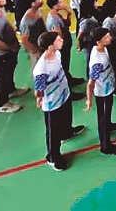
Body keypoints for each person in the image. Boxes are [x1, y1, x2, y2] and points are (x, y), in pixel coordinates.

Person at [33, 31, 85, 171]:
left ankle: (67, 132)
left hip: (64, 94)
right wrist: (40, 99)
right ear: (50, 46)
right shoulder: (41, 68)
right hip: (52, 102)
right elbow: (38, 89)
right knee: (53, 130)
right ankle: (53, 156)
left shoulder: (58, 54)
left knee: (67, 116)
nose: (61, 40)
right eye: (58, 39)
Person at [85, 27, 116, 155]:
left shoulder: (103, 48)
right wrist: (89, 100)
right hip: (102, 92)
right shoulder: (97, 62)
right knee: (103, 116)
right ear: (98, 41)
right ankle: (105, 145)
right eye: (106, 37)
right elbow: (91, 83)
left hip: (108, 87)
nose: (110, 38)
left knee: (107, 112)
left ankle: (109, 126)